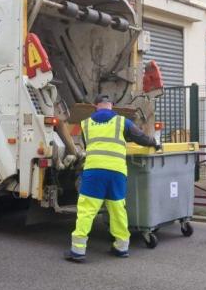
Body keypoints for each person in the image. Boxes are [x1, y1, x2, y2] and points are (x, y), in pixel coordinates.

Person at [65, 96, 161, 263]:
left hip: (94, 171)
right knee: (117, 209)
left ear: (96, 106)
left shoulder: (85, 124)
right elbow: (140, 138)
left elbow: (87, 146)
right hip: (116, 172)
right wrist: (154, 143)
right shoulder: (121, 122)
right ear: (112, 106)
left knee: (87, 210)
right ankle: (121, 247)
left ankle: (78, 251)